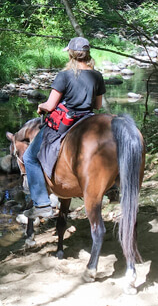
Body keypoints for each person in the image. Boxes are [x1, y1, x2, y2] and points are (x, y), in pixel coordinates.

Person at [21, 36, 106, 220]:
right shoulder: (97, 75)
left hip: (66, 122)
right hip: (88, 119)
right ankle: (111, 185)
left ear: (71, 54)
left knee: (29, 157)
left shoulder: (65, 75)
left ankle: (42, 204)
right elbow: (98, 105)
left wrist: (41, 106)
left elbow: (51, 106)